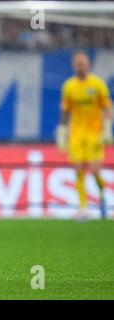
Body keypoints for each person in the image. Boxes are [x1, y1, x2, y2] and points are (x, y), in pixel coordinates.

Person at [56, 50, 113, 220]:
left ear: (88, 65)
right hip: (76, 134)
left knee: (95, 170)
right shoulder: (69, 86)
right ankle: (83, 208)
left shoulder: (97, 84)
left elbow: (107, 107)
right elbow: (65, 111)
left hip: (94, 134)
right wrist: (62, 130)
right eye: (77, 63)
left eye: (83, 63)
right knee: (78, 169)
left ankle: (102, 196)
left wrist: (107, 128)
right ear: (74, 66)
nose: (80, 66)